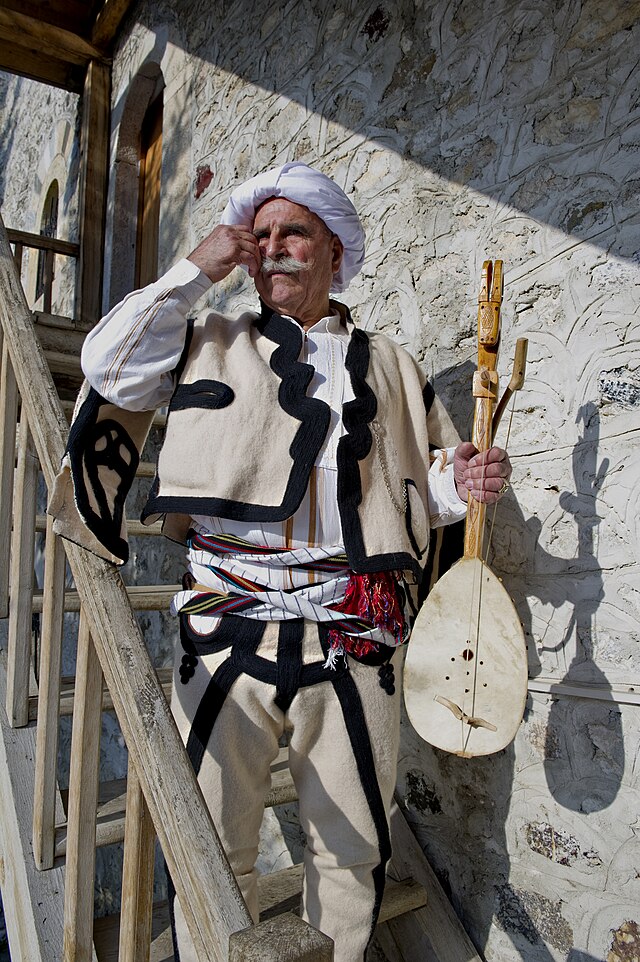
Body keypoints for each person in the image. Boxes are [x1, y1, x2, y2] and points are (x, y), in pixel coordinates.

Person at [51, 162, 511, 962]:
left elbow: (415, 492)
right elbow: (106, 366)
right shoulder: (205, 339)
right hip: (228, 628)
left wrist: (459, 483)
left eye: (291, 233)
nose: (271, 250)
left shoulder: (392, 364)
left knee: (352, 849)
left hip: (355, 637)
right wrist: (197, 270)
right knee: (209, 846)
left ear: (334, 248)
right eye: (258, 237)